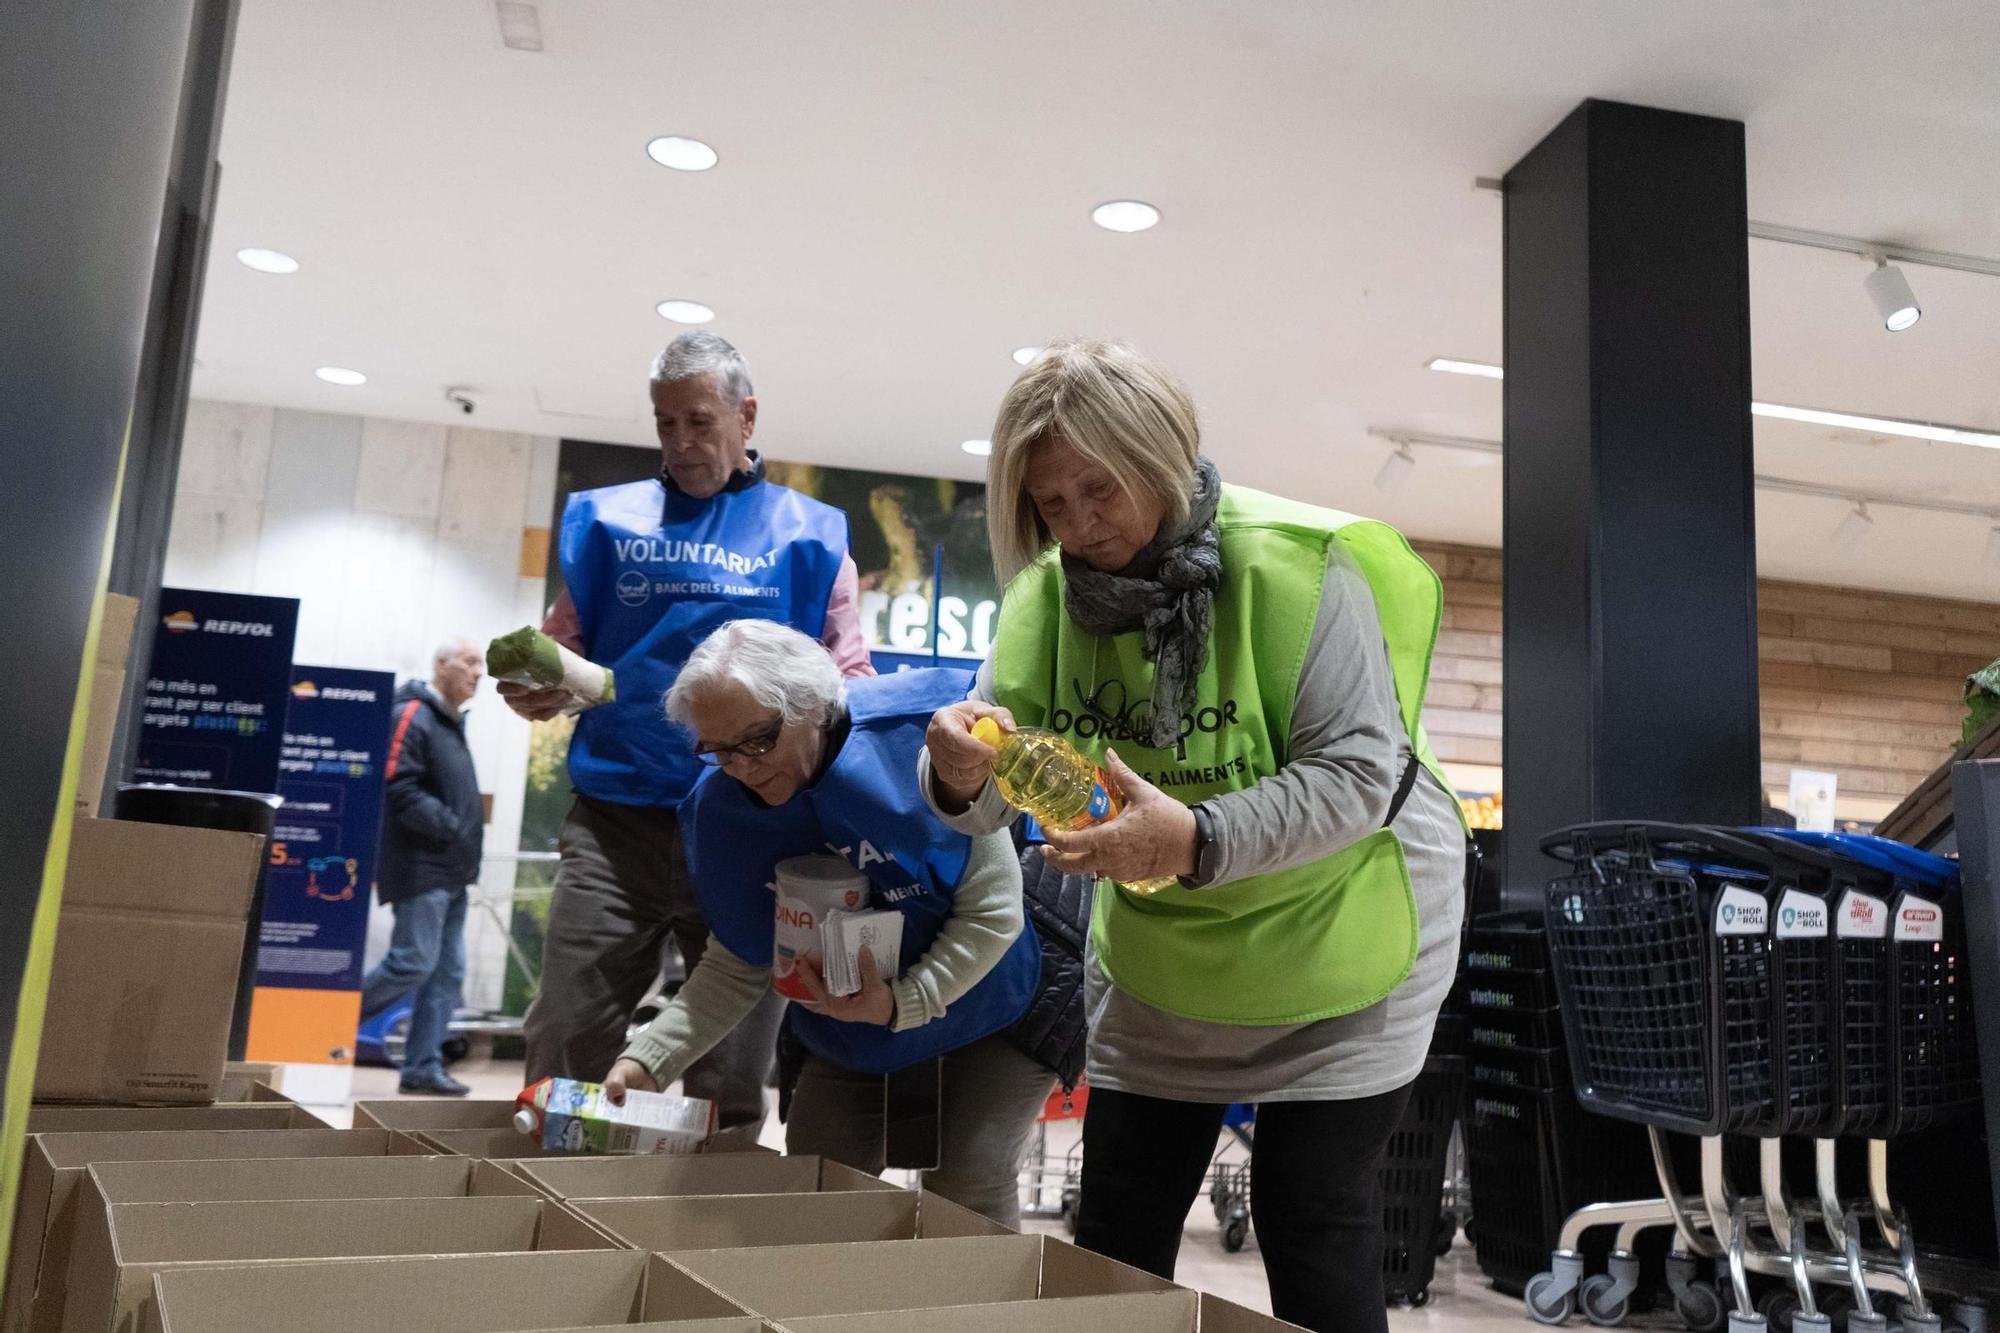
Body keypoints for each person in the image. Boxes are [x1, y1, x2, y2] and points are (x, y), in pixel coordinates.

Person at [920, 340, 1467, 1332]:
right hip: (1167, 956)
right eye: (1051, 504)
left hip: (1345, 935)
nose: (1081, 526)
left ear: (1162, 459)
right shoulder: (1043, 602)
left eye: (1101, 489)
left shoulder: (1302, 571)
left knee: (1310, 1213)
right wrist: (957, 774)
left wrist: (1194, 837)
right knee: (1119, 1212)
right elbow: (1002, 785)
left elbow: (1360, 775)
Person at [505, 332, 873, 1136]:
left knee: (733, 1065)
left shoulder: (812, 536)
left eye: (699, 422)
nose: (680, 443)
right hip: (613, 825)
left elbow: (850, 679)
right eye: (664, 423)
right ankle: (546, 1205)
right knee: (567, 1031)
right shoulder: (606, 522)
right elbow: (568, 655)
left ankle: (703, 1233)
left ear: (746, 416)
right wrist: (542, 688)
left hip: (749, 830)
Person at [603, 620, 1054, 1225]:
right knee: (818, 1182)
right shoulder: (722, 811)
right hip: (846, 1023)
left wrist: (906, 1001)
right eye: (718, 749)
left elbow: (993, 913)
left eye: (758, 740)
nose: (740, 767)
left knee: (968, 1184)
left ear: (815, 706)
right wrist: (649, 1060)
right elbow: (740, 961)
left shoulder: (924, 743)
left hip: (989, 1002)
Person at [363, 639, 487, 1096]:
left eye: (481, 666)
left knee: (446, 973)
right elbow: (398, 782)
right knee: (413, 962)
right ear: (441, 664)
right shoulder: (412, 713)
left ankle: (421, 1067)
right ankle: (327, 1026)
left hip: (452, 870)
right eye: (471, 662)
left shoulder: (450, 723)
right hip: (422, 866)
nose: (479, 673)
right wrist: (450, 826)